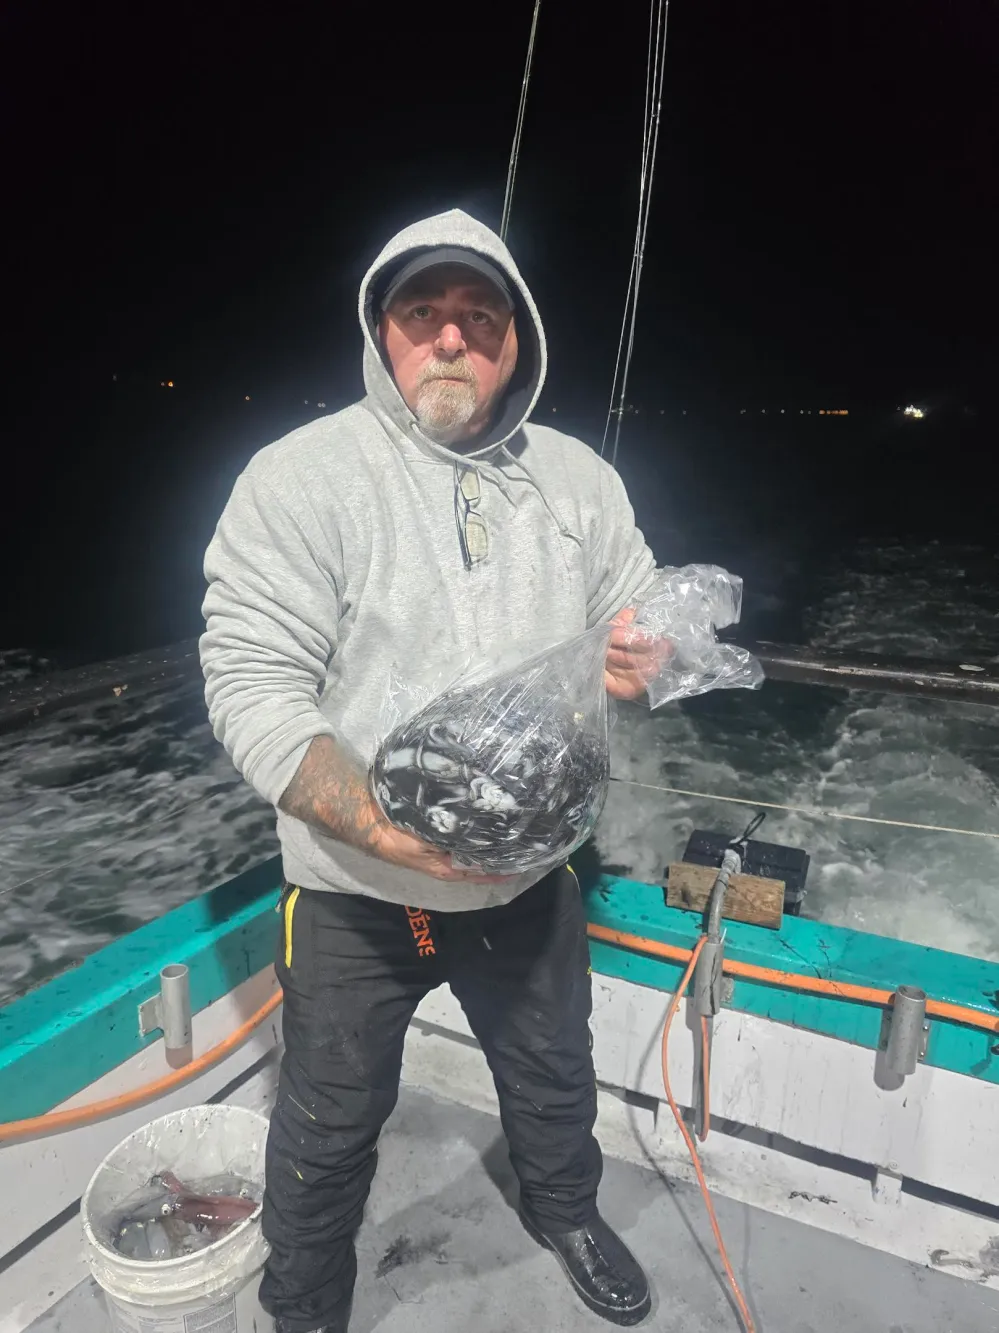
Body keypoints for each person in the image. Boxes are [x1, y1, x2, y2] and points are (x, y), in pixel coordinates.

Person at [200, 209, 661, 1332]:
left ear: (518, 342)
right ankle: (305, 1301)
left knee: (555, 1079)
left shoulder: (579, 481)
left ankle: (566, 1213)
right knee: (326, 1120)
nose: (451, 339)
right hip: (356, 890)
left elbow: (630, 604)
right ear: (383, 331)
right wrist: (385, 831)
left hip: (525, 881)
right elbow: (253, 684)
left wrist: (647, 650)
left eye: (480, 317)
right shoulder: (300, 479)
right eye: (424, 314)